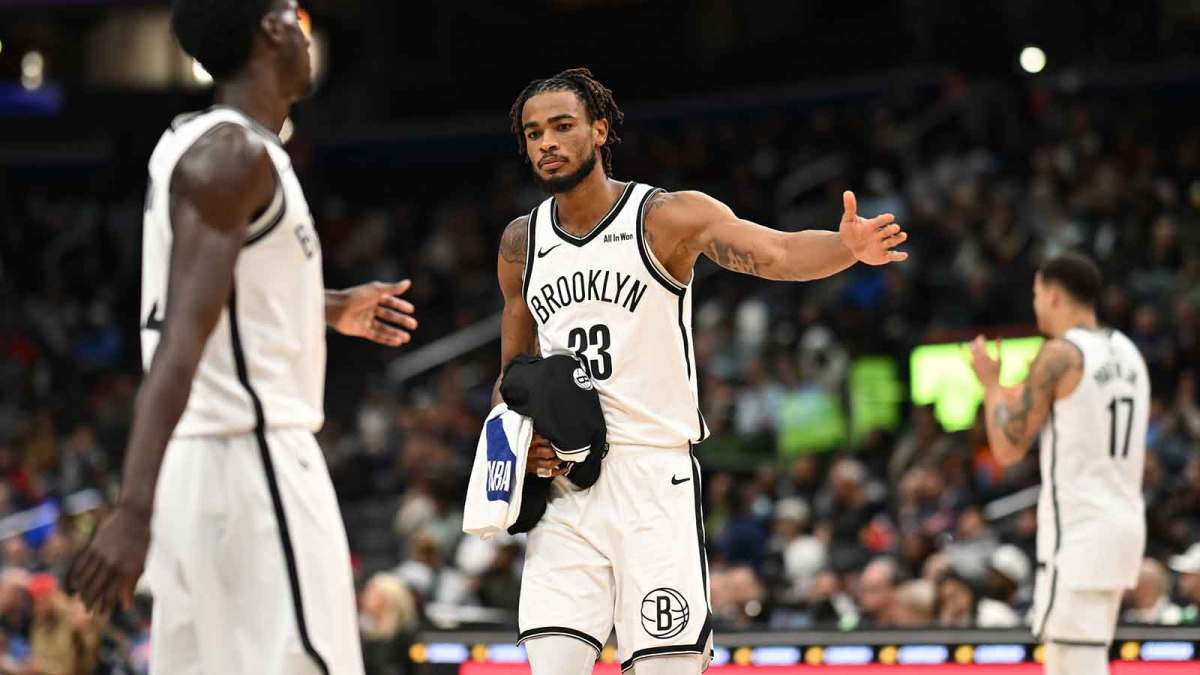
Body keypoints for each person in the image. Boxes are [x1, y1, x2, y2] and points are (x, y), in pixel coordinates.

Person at [495, 67, 907, 674]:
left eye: (562, 126)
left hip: (652, 475)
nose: (546, 143)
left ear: (600, 129)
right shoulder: (520, 243)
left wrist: (847, 248)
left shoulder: (665, 217)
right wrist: (517, 443)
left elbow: (776, 253)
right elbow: (514, 376)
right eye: (534, 134)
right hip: (565, 487)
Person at [67, 1, 418, 673]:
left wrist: (329, 305)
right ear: (271, 29)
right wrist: (131, 506)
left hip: (204, 468)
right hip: (251, 460)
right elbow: (180, 338)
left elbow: (220, 298)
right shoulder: (233, 153)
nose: (307, 32)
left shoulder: (201, 142)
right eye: (294, 11)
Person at [971, 252, 1148, 675]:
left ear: (1052, 296)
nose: (1035, 306)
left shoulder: (1059, 355)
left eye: (1035, 294)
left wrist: (991, 385)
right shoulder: (1128, 351)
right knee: (1078, 658)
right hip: (1123, 524)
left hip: (1080, 532)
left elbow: (1007, 448)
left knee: (1075, 664)